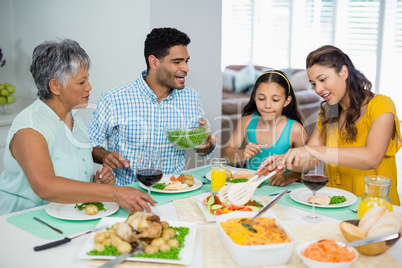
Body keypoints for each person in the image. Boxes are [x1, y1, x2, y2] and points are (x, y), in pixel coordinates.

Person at [0, 39, 155, 215]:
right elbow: (45, 187)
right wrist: (115, 193)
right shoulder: (30, 126)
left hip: (67, 216)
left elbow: (71, 166)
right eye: (82, 82)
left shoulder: (75, 118)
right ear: (55, 86)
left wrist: (96, 183)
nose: (89, 87)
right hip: (21, 222)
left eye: (87, 80)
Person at [256, 45, 401, 205]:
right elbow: (310, 160)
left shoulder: (381, 105)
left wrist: (315, 151)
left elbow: (372, 157)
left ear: (343, 72)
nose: (318, 89)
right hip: (336, 204)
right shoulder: (330, 112)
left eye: (323, 79)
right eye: (313, 83)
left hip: (374, 205)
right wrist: (284, 159)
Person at [88, 27, 216, 185]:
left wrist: (206, 144)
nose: (186, 68)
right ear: (154, 62)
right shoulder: (114, 99)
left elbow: (203, 150)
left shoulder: (192, 98)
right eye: (177, 62)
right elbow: (90, 144)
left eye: (186, 61)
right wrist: (105, 155)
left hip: (174, 191)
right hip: (127, 193)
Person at [222, 70, 307, 186]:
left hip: (280, 190)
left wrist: (288, 177)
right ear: (254, 98)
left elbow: (306, 166)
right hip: (250, 187)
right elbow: (226, 155)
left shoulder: (295, 129)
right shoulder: (247, 120)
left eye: (275, 100)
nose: (267, 105)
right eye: (261, 99)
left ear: (287, 101)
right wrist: (242, 154)